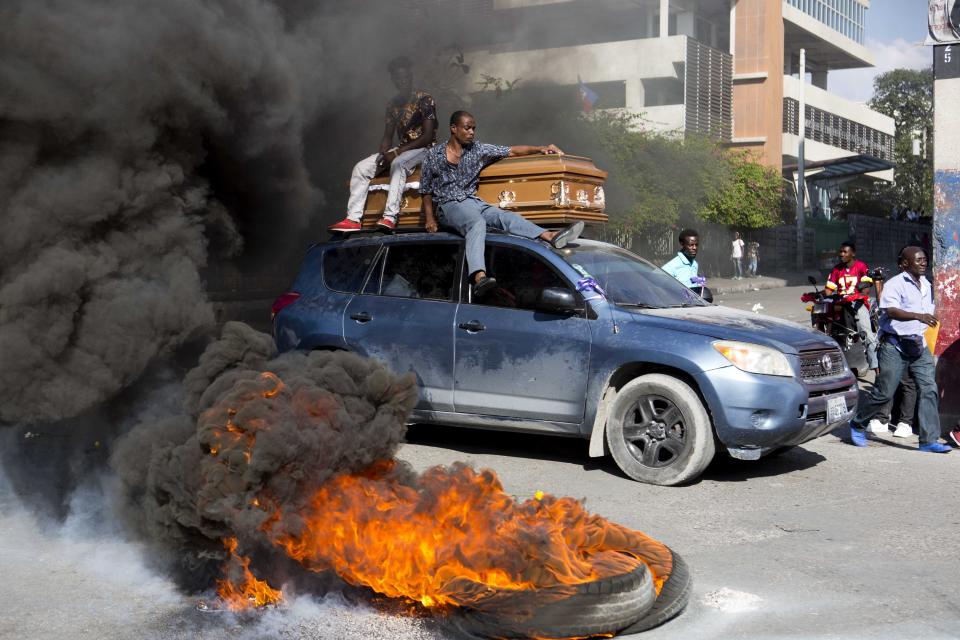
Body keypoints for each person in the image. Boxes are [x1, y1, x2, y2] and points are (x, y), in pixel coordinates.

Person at [420, 110, 584, 297]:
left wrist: (542, 148)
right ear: (454, 128)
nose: (472, 132)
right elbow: (425, 190)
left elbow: (511, 150)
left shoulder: (478, 149)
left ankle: (549, 235)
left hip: (473, 201)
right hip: (448, 205)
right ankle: (479, 277)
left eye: (474, 128)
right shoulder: (434, 155)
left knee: (505, 217)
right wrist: (430, 219)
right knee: (476, 223)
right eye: (467, 128)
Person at [848, 246, 950, 453]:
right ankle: (858, 423)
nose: (924, 263)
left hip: (917, 345)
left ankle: (928, 440)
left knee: (929, 389)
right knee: (885, 392)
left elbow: (928, 312)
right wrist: (918, 316)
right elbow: (891, 310)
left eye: (925, 259)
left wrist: (928, 317)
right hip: (894, 344)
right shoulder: (895, 284)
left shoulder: (926, 284)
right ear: (905, 264)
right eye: (919, 260)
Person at [329, 56, 437, 233]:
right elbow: (387, 135)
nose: (402, 82)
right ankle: (353, 219)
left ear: (411, 77)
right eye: (398, 78)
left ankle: (390, 217)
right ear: (393, 80)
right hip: (402, 149)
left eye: (405, 78)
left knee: (398, 164)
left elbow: (427, 136)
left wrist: (395, 154)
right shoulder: (392, 104)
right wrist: (382, 154)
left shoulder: (425, 99)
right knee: (360, 168)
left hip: (424, 149)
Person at [825, 241, 878, 373]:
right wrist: (818, 295)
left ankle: (877, 371)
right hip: (840, 303)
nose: (841, 254)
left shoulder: (861, 267)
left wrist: (858, 293)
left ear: (852, 253)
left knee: (868, 335)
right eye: (840, 252)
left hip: (857, 303)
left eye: (845, 252)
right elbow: (828, 290)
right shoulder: (837, 269)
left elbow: (865, 289)